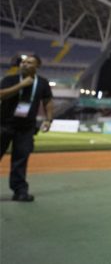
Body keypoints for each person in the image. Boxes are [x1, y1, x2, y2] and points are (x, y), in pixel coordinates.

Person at [1, 54, 54, 202]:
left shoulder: (42, 83)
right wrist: (21, 85)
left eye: (29, 62)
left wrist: (49, 119)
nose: (24, 64)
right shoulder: (9, 79)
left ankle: (20, 191)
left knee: (20, 160)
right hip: (4, 124)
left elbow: (48, 101)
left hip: (26, 128)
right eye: (23, 62)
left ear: (37, 66)